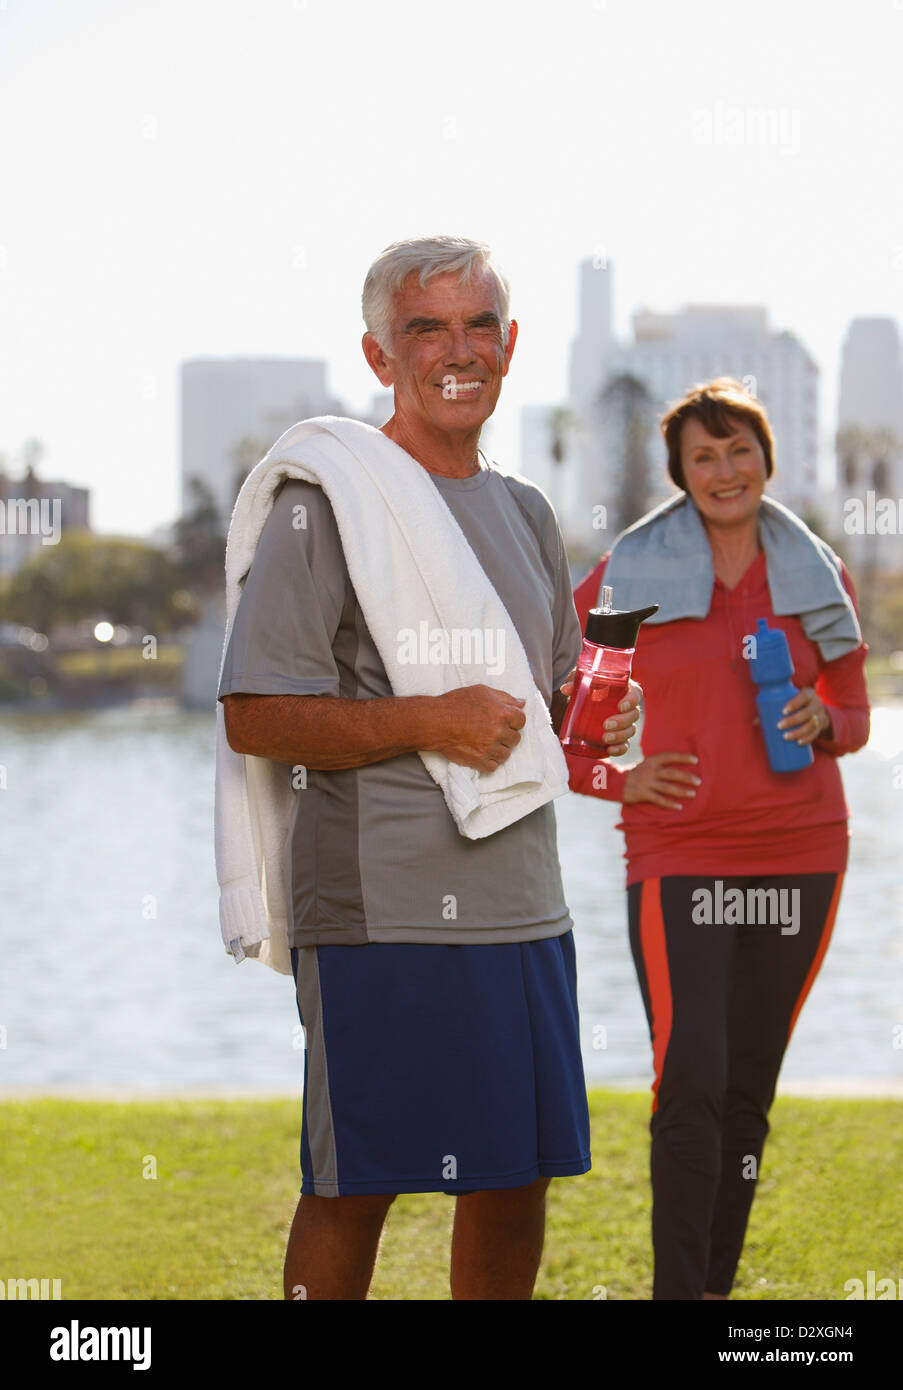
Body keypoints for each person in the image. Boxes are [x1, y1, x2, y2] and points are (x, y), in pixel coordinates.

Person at [216, 236, 641, 1301]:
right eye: (426, 328)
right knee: (357, 1183)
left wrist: (599, 719)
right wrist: (429, 722)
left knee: (515, 1180)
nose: (459, 349)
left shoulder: (528, 513)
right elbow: (254, 712)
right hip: (380, 905)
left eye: (479, 324)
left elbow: (537, 717)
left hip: (524, 905)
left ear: (510, 345)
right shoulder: (328, 502)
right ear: (378, 353)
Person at [565, 377, 870, 1301]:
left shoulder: (817, 573)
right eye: (703, 455)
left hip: (802, 849)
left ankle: (710, 1297)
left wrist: (822, 717)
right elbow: (566, 718)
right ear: (679, 473)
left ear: (766, 460)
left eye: (739, 450)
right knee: (690, 1070)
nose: (724, 470)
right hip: (679, 853)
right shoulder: (626, 575)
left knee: (747, 1089)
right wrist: (617, 777)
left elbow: (854, 713)